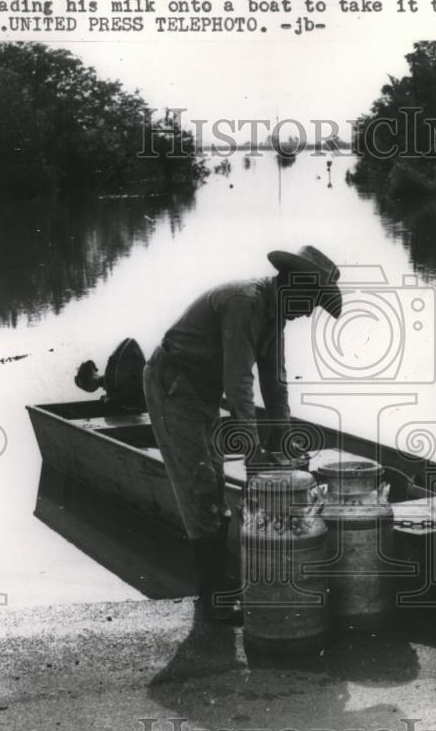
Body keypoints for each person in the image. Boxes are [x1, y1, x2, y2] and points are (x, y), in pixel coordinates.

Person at [143, 246, 343, 624]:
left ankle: (219, 586)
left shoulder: (274, 315)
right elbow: (238, 383)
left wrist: (281, 437)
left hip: (200, 391)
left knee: (214, 481)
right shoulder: (245, 302)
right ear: (292, 285)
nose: (307, 313)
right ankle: (212, 599)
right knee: (200, 485)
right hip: (173, 384)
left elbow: (275, 382)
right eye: (310, 302)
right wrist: (252, 450)